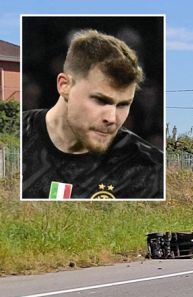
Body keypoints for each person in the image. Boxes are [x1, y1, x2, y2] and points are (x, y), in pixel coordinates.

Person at [22, 29, 163, 200]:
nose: (112, 119)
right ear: (64, 86)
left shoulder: (150, 170)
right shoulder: (14, 137)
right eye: (100, 100)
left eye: (123, 104)